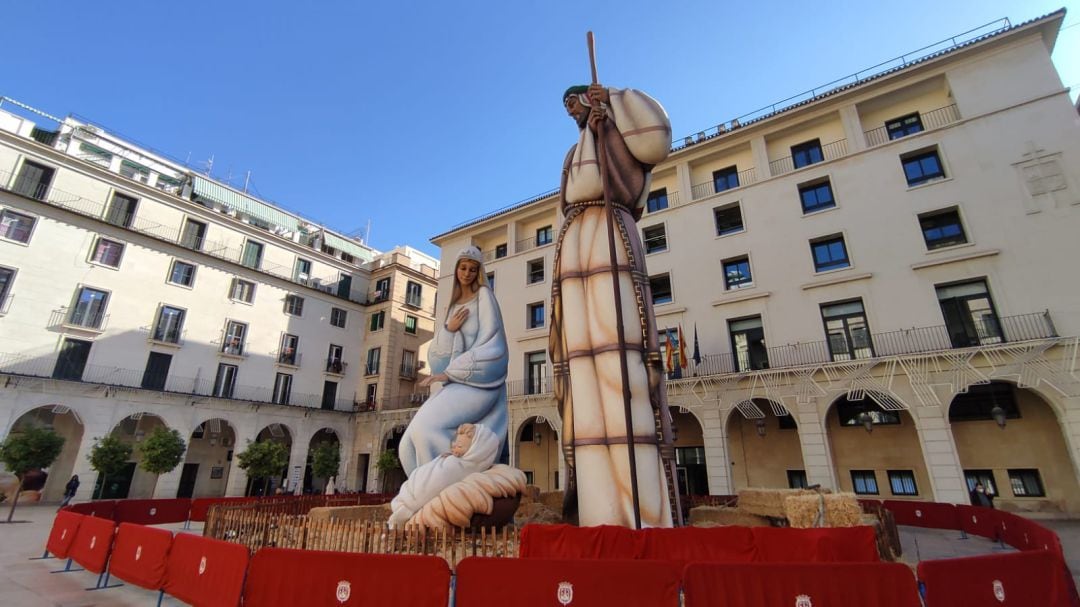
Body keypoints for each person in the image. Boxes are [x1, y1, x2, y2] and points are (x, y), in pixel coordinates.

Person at [549, 83, 676, 528]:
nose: (571, 111)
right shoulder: (574, 152)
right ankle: (595, 504)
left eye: (575, 102)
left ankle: (640, 511)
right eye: (566, 106)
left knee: (619, 351)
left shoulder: (615, 131)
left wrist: (616, 96)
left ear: (590, 97)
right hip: (576, 240)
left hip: (609, 234)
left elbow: (658, 138)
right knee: (581, 362)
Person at [397, 246, 509, 476]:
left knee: (427, 430)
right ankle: (424, 487)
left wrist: (451, 373)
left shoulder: (484, 297)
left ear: (478, 272)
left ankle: (444, 484)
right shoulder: (454, 306)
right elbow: (438, 358)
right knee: (407, 441)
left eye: (472, 269)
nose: (467, 273)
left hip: (479, 383)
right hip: (456, 382)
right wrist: (449, 330)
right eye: (463, 267)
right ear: (457, 269)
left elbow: (493, 343)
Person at [389, 423, 500, 528]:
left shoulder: (455, 466)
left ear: (478, 450)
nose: (454, 449)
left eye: (460, 446)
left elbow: (428, 488)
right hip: (410, 492)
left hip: (411, 498)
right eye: (454, 445)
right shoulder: (459, 463)